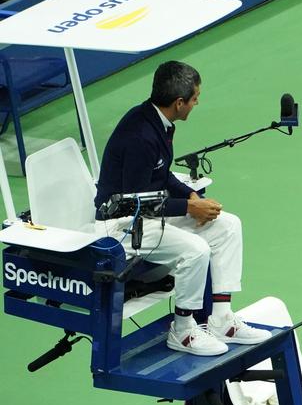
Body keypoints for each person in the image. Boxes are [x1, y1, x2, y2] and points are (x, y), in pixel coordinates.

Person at [94, 60, 271, 356]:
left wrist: (191, 196)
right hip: (121, 226)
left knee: (228, 226)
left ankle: (222, 320)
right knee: (196, 250)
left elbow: (160, 177)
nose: (197, 102)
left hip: (145, 214)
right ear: (179, 103)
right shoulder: (140, 136)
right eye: (195, 98)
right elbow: (133, 202)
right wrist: (189, 209)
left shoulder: (158, 122)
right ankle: (184, 330)